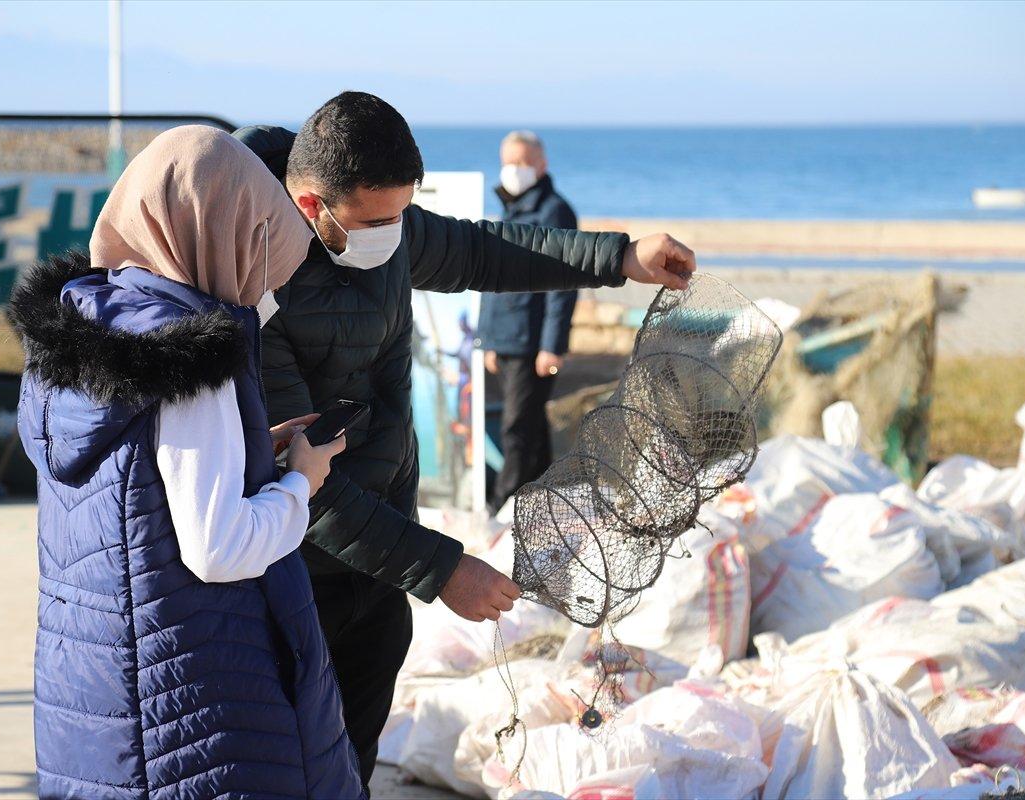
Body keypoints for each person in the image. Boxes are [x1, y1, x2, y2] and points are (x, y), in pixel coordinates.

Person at [235, 91, 695, 790]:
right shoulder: (250, 281)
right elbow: (301, 482)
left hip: (381, 566)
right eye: (377, 221)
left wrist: (620, 257)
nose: (393, 233)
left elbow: (486, 250)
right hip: (293, 574)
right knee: (287, 769)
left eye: (402, 215)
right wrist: (443, 569)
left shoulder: (385, 231)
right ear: (310, 207)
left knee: (354, 765)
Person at [8, 126, 364, 799]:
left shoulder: (92, 326)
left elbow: (140, 485)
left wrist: (251, 454)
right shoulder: (188, 361)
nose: (263, 270)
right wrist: (300, 483)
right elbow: (218, 547)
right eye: (259, 238)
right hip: (192, 703)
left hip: (100, 688)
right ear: (217, 229)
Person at [478, 130, 580, 514]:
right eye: (508, 162)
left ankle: (502, 505)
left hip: (533, 342)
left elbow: (563, 283)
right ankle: (543, 501)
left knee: (517, 428)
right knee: (531, 427)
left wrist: (552, 345)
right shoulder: (510, 208)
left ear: (542, 164)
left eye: (522, 162)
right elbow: (494, 281)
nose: (514, 170)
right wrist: (488, 340)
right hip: (505, 338)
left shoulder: (554, 210)